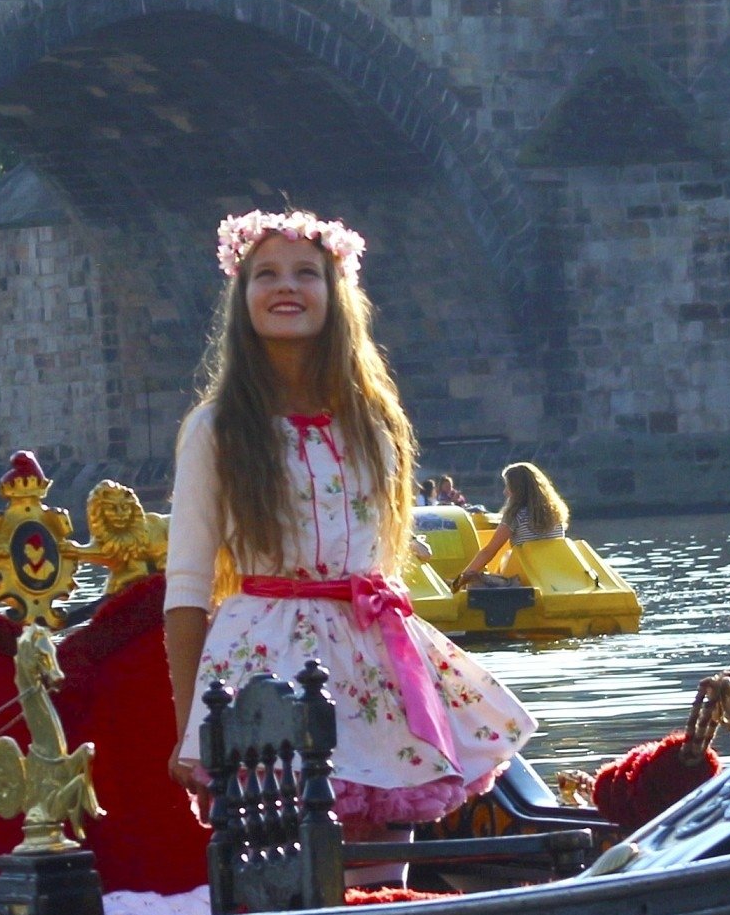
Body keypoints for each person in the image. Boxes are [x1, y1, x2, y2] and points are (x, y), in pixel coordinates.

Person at [162, 211, 538, 872]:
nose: (288, 287)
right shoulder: (215, 427)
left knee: (383, 859)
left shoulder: (376, 420)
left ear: (336, 293)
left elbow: (383, 555)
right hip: (263, 666)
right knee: (284, 871)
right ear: (241, 294)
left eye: (307, 272)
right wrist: (190, 722)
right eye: (267, 274)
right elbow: (188, 584)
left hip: (372, 662)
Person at [453, 462, 568, 586]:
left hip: (526, 579)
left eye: (508, 487)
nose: (505, 492)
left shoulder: (515, 515)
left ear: (517, 489)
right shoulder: (556, 514)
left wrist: (460, 581)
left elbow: (489, 552)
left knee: (476, 582)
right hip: (554, 576)